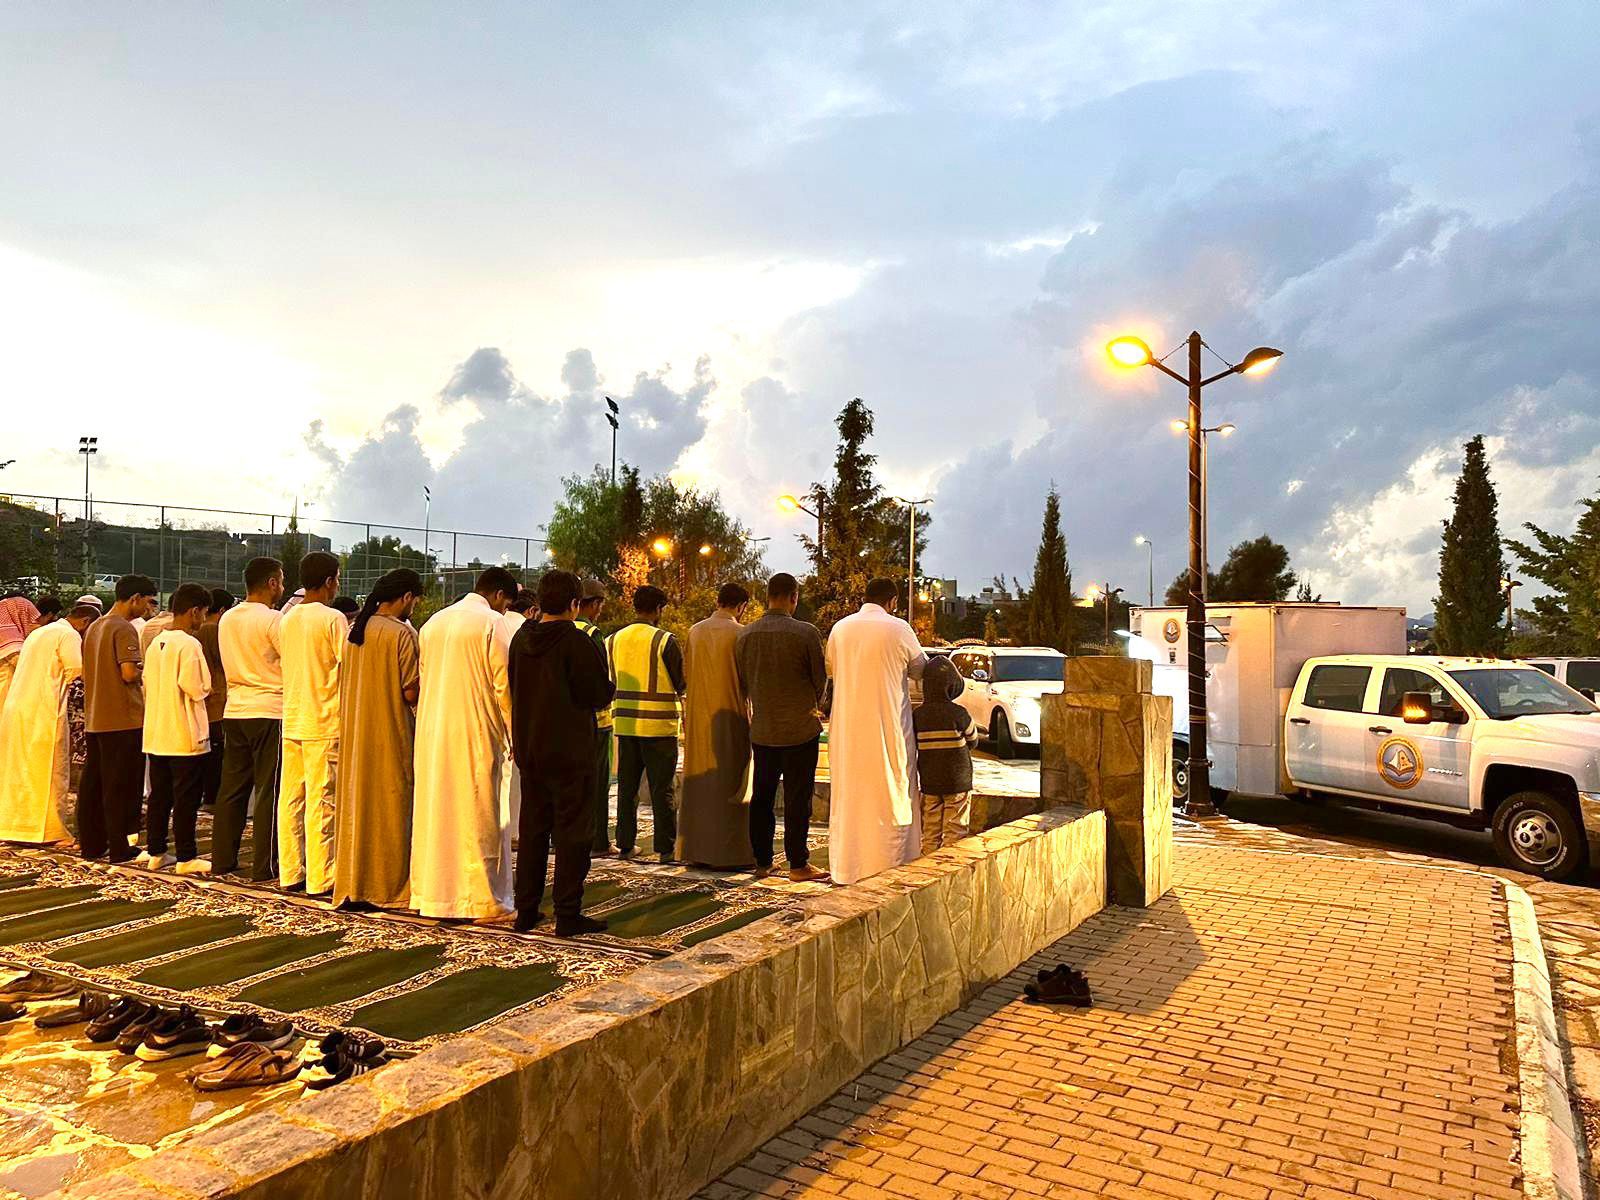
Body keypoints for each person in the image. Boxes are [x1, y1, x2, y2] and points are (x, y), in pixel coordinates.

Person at [508, 570, 615, 935]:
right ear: (574, 604)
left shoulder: (522, 638)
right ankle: (567, 914)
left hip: (530, 748)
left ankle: (526, 910)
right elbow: (598, 694)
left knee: (534, 830)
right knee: (573, 834)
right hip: (570, 753)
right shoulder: (575, 641)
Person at [411, 566, 518, 920]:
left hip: (434, 731)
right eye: (506, 604)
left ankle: (434, 895)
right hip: (476, 729)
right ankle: (484, 898)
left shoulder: (433, 624)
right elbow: (504, 685)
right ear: (499, 595)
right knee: (481, 813)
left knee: (439, 812)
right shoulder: (491, 622)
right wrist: (515, 732)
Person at [824, 578, 927, 885]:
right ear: (892, 601)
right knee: (890, 794)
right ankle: (890, 864)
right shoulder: (898, 628)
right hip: (888, 727)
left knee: (851, 796)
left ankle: (848, 867)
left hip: (848, 730)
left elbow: (831, 668)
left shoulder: (840, 629)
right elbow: (921, 669)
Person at [332, 569, 422, 911]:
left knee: (359, 807)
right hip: (391, 731)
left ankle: (355, 882)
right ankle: (388, 886)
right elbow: (410, 690)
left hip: (356, 732)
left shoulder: (355, 631)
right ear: (407, 597)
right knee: (391, 808)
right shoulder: (400, 634)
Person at [735, 572, 830, 882]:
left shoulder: (745, 635)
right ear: (794, 597)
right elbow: (820, 681)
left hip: (763, 729)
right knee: (797, 797)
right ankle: (798, 864)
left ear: (767, 597)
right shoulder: (805, 633)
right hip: (800, 729)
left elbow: (744, 682)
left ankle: (762, 860)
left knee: (761, 796)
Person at [211, 557, 285, 880]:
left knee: (232, 790)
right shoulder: (272, 620)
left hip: (236, 709)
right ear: (271, 583)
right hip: (269, 709)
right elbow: (291, 661)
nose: (281, 588)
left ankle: (222, 859)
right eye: (280, 581)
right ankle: (264, 864)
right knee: (269, 789)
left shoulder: (228, 618)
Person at [0, 600, 97, 845]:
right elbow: (76, 671)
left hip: (18, 709)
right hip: (43, 710)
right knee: (50, 771)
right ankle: (49, 831)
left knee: (20, 771)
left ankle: (14, 828)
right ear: (85, 622)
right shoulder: (68, 635)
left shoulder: (39, 633)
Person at [277, 552, 346, 894]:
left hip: (292, 718)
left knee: (291, 800)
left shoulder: (286, 619)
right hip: (324, 719)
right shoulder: (333, 620)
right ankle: (322, 878)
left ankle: (291, 871)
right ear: (330, 580)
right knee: (322, 802)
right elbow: (346, 668)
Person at [79, 575, 157, 862]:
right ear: (134, 598)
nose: (148, 609)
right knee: (119, 786)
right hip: (123, 718)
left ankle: (92, 844)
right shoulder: (123, 629)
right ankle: (119, 846)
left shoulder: (95, 626)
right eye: (148, 602)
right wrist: (144, 670)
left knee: (94, 784)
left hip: (96, 715)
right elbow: (128, 674)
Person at [677, 583, 755, 869]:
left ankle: (696, 849)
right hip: (730, 715)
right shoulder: (741, 633)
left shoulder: (695, 631)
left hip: (699, 717)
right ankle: (730, 853)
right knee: (730, 785)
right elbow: (748, 678)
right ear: (741, 605)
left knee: (700, 784)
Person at [607, 585, 685, 863]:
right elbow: (681, 682)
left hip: (626, 726)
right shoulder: (665, 640)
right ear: (658, 609)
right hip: (659, 727)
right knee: (662, 788)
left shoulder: (613, 640)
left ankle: (625, 844)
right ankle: (666, 848)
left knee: (627, 788)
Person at [140, 583, 213, 873]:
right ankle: (185, 856)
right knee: (186, 799)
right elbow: (196, 687)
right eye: (203, 614)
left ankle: (156, 850)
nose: (203, 621)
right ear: (194, 611)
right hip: (183, 733)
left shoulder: (158, 640)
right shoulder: (189, 644)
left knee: (159, 795)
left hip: (157, 730)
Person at [912, 655, 977, 853]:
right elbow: (973, 740)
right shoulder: (958, 713)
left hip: (930, 781)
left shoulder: (918, 715)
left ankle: (927, 866)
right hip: (957, 781)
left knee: (930, 830)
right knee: (955, 829)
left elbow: (913, 742)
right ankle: (949, 866)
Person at [573, 579, 614, 854]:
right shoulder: (591, 633)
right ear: (595, 604)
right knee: (597, 785)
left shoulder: (549, 629)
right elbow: (600, 681)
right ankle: (598, 841)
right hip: (596, 723)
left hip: (563, 723)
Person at [195, 589, 234, 809]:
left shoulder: (197, 629)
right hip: (217, 698)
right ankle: (212, 797)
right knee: (216, 752)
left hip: (205, 698)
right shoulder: (213, 630)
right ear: (222, 610)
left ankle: (206, 795)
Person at [0, 594, 42, 713]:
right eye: (29, 617)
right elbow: (25, 667)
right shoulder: (8, 637)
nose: (34, 623)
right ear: (19, 614)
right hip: (5, 693)